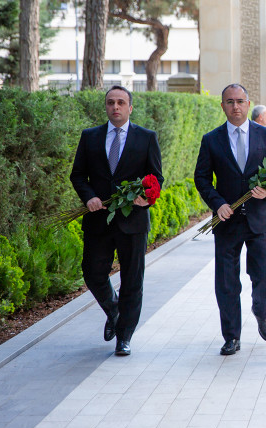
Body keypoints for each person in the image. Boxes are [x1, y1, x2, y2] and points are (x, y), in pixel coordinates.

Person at [70, 85, 164, 356]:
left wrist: (147, 198)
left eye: (121, 102)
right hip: (98, 218)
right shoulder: (90, 137)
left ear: (130, 107)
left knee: (133, 279)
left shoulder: (146, 137)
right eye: (111, 102)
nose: (115, 107)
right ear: (106, 107)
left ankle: (124, 336)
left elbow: (156, 177)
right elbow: (78, 175)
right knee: (92, 272)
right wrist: (88, 197)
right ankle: (114, 310)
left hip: (132, 220)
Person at [194, 84, 266, 356]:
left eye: (240, 101)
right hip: (227, 220)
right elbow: (202, 178)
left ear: (248, 103)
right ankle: (231, 336)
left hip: (261, 220)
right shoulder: (211, 139)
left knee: (263, 276)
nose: (236, 106)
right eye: (230, 102)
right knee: (226, 282)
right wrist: (217, 203)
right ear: (222, 106)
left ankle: (261, 311)